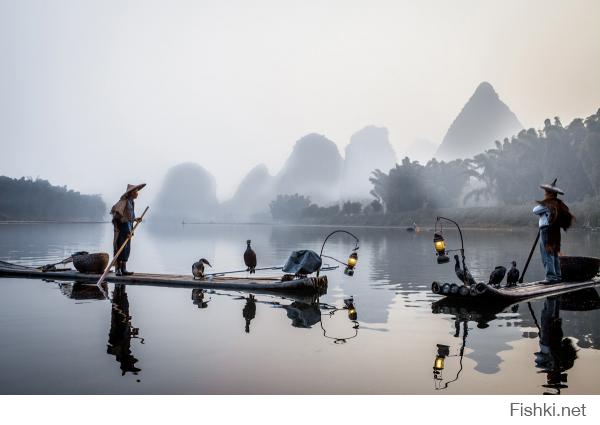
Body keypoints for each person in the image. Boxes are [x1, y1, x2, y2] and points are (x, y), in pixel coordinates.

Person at [532, 179, 573, 283]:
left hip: (546, 230)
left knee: (547, 253)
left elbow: (535, 210)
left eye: (546, 192)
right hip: (554, 230)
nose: (545, 193)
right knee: (554, 253)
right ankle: (557, 276)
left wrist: (544, 207)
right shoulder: (558, 203)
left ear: (549, 193)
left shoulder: (549, 203)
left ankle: (550, 277)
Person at [110, 183, 146, 276]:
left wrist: (135, 219)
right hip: (123, 229)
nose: (138, 193)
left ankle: (124, 269)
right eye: (136, 191)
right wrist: (125, 229)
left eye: (137, 191)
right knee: (120, 248)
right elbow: (118, 215)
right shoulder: (124, 201)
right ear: (131, 193)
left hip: (129, 229)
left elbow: (129, 216)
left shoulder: (131, 202)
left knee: (126, 249)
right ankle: (118, 269)